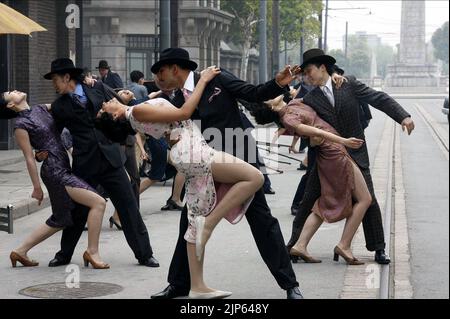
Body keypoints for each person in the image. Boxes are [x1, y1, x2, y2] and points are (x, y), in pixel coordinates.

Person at [149, 48, 304, 299]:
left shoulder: (217, 78)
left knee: (263, 223)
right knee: (187, 224)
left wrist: (278, 83)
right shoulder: (177, 100)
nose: (158, 77)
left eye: (160, 71)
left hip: (239, 164)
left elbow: (253, 94)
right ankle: (178, 284)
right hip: (204, 168)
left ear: (175, 69)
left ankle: (290, 285)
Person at [101, 66, 264, 298]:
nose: (104, 103)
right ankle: (210, 223)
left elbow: (171, 118)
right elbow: (184, 113)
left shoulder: (137, 109)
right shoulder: (136, 112)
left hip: (188, 153)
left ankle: (197, 286)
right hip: (194, 153)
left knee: (193, 220)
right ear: (114, 116)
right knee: (254, 177)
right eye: (103, 109)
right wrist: (204, 80)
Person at [285, 49, 415, 264]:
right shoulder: (309, 97)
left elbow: (378, 98)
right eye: (305, 74)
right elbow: (304, 125)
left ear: (323, 68)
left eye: (309, 72)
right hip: (327, 157)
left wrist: (403, 116)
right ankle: (294, 245)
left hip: (355, 151)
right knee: (310, 198)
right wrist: (312, 142)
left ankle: (378, 249)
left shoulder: (348, 84)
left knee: (369, 200)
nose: (307, 77)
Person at [42, 58, 159, 268]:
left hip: (110, 158)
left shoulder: (96, 88)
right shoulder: (60, 106)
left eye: (56, 80)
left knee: (128, 206)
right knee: (77, 211)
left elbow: (120, 106)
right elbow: (54, 134)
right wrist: (43, 151)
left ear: (67, 77)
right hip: (84, 163)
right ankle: (64, 254)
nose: (54, 85)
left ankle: (145, 254)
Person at [253, 98, 371, 264]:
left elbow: (315, 91)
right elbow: (316, 133)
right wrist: (344, 141)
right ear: (271, 105)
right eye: (268, 96)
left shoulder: (292, 104)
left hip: (335, 150)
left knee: (325, 202)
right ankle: (343, 245)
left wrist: (334, 75)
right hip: (333, 153)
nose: (273, 93)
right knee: (365, 199)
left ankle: (301, 245)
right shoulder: (288, 119)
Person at [1, 91, 109, 269]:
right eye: (9, 93)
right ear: (11, 105)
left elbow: (65, 105)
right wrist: (37, 188)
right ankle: (92, 252)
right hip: (55, 171)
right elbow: (29, 158)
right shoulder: (20, 125)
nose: (14, 90)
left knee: (61, 219)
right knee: (98, 203)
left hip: (63, 165)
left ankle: (20, 251)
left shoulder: (40, 109)